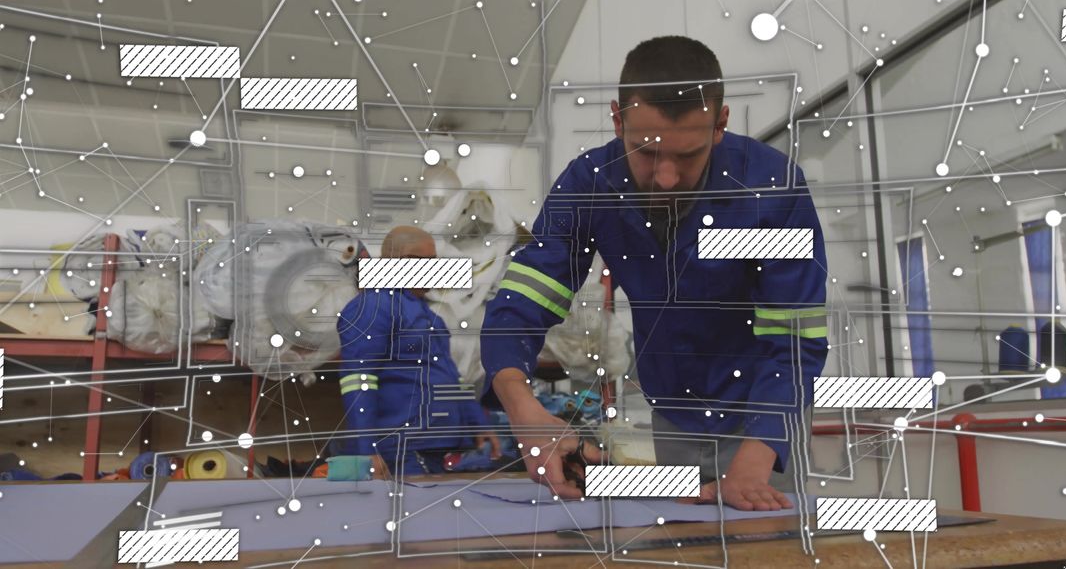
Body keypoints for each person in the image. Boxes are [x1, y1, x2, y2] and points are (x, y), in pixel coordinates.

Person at [480, 36, 828, 510]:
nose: (665, 177)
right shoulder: (591, 187)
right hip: (675, 414)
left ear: (720, 123)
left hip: (762, 418)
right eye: (645, 151)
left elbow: (792, 338)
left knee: (765, 548)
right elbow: (524, 299)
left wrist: (755, 458)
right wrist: (521, 407)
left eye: (687, 156)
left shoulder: (770, 192)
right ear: (617, 119)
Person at [337, 226, 501, 477]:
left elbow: (452, 379)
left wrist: (478, 422)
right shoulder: (371, 308)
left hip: (437, 449)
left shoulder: (430, 318)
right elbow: (358, 379)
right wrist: (366, 449)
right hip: (402, 450)